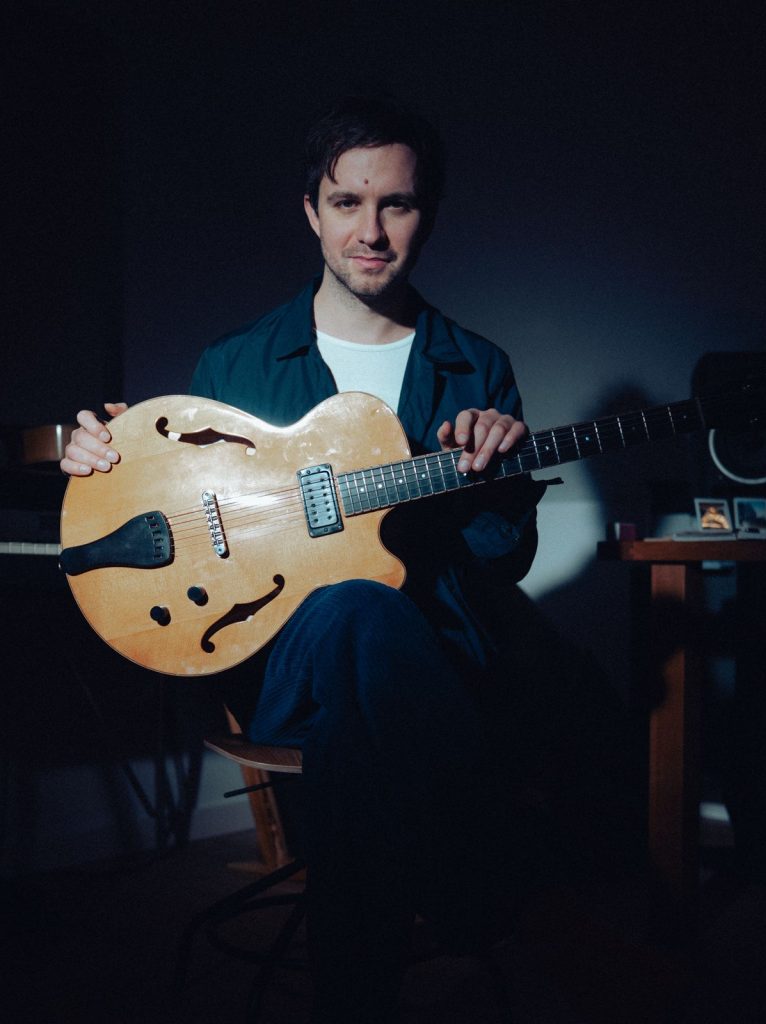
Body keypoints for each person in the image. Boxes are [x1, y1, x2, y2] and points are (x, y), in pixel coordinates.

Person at [61, 97, 675, 1023]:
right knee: (353, 612)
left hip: (434, 664)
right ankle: (501, 894)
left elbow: (497, 565)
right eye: (348, 203)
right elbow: (165, 491)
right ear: (312, 211)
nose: (372, 232)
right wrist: (99, 462)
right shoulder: (238, 363)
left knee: (367, 692)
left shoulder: (476, 367)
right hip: (280, 665)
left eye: (398, 204)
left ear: (429, 214)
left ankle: (364, 990)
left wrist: (495, 485)